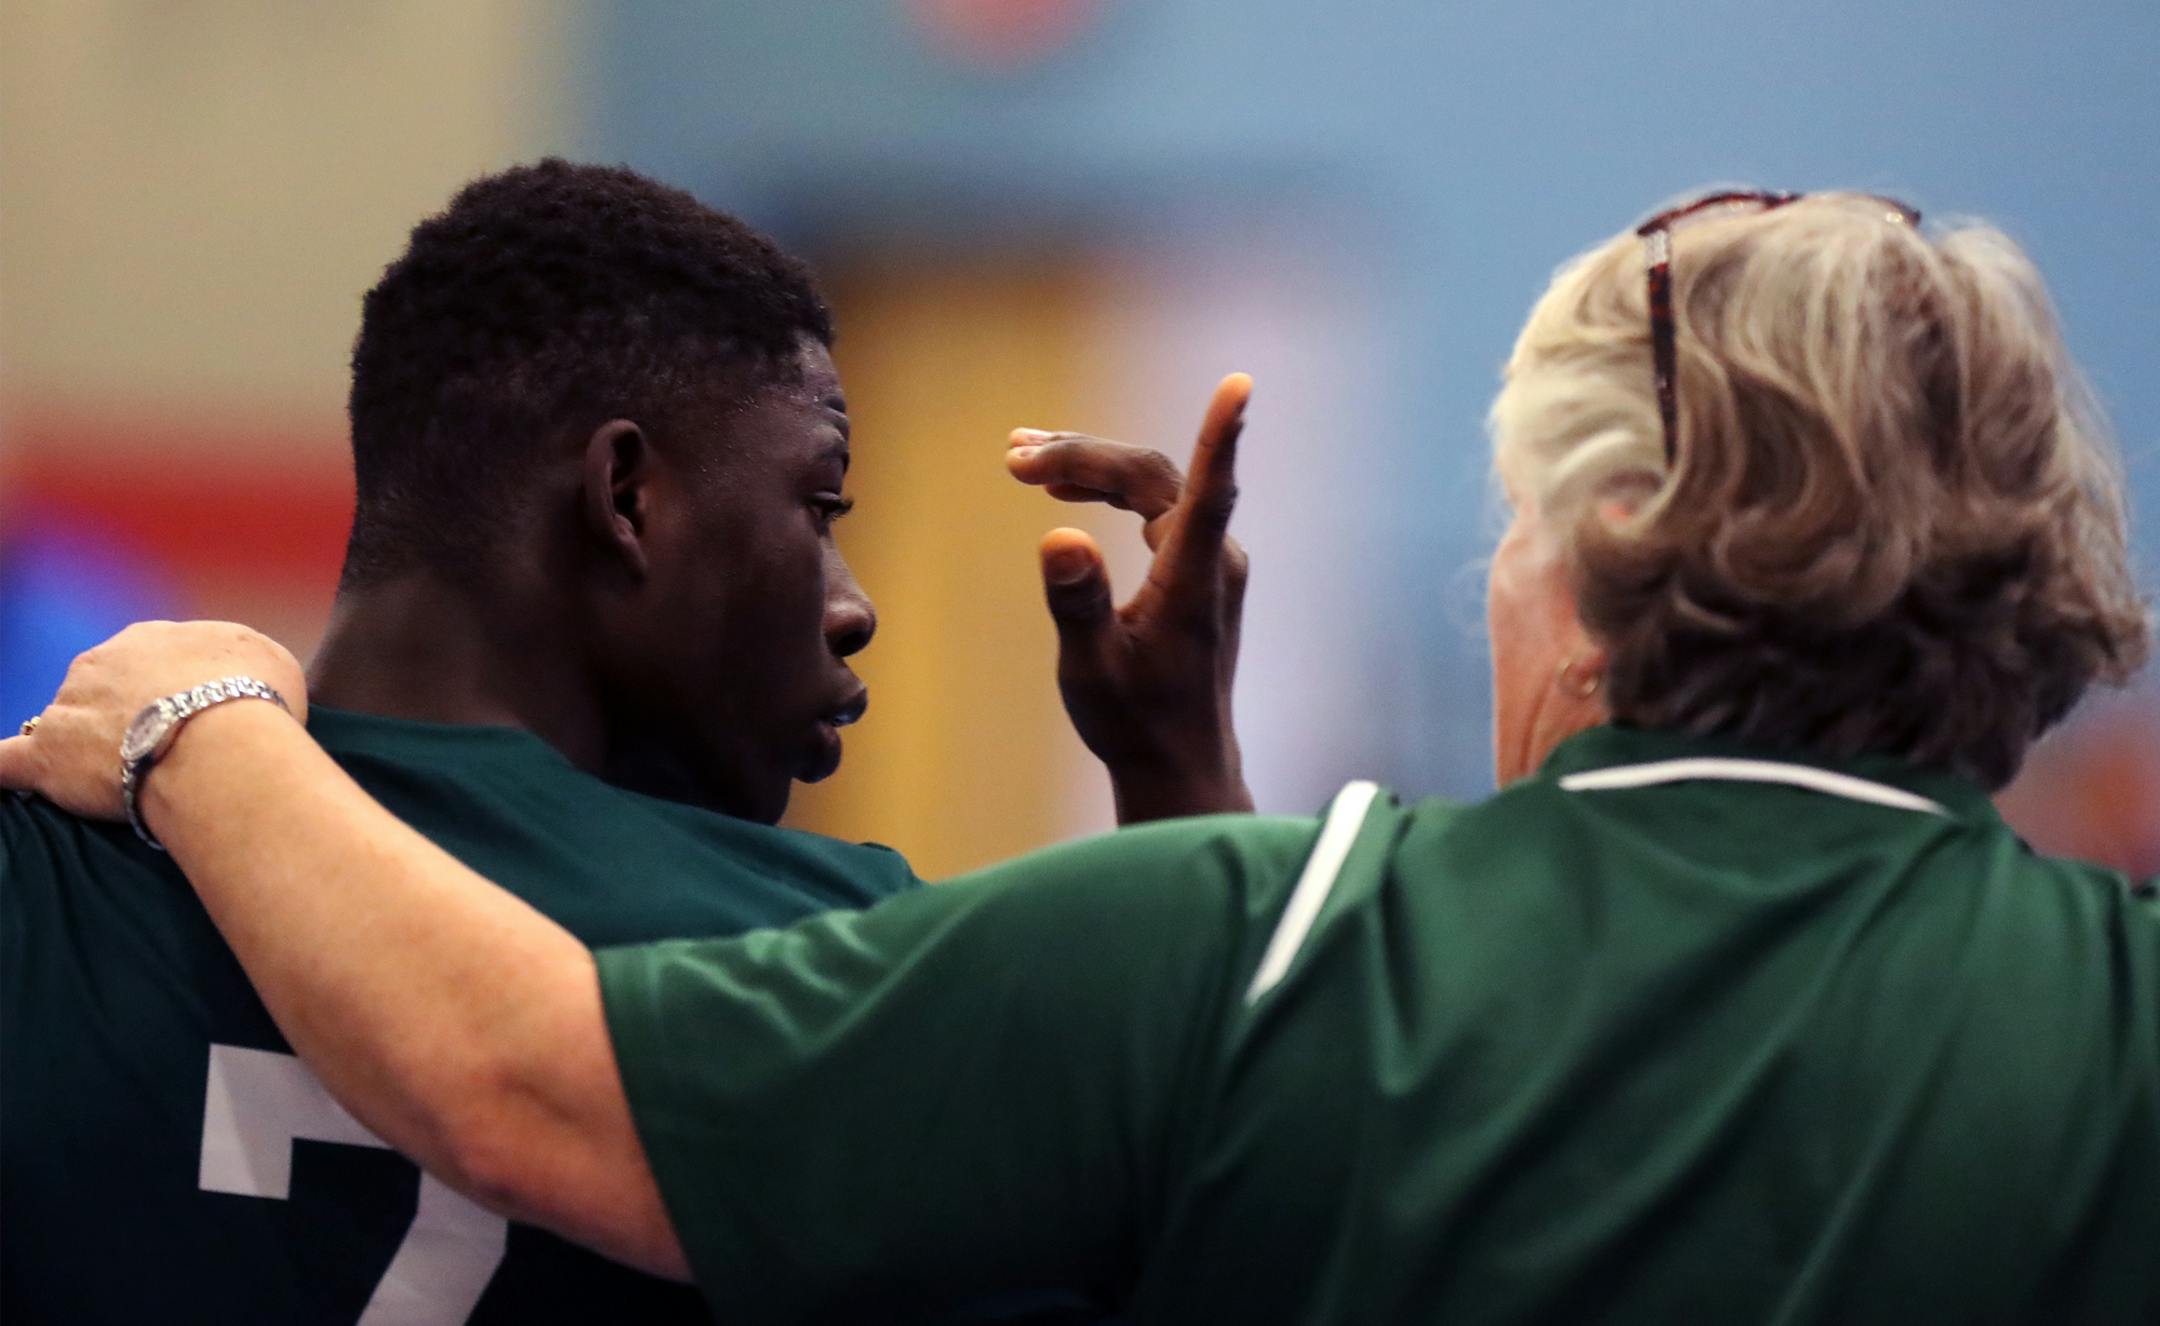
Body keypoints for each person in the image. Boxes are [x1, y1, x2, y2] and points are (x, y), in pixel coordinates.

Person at [10, 188, 2154, 1322]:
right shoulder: (2122, 1010)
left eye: (1511, 526)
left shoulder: (1263, 954)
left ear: (1603, 552)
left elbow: (524, 1084)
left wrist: (201, 716)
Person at [0, 160, 1248, 1324]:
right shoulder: (846, 952)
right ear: (627, 498)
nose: (851, 601)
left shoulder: (38, 876)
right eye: (817, 508)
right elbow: (1237, 1230)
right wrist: (1177, 759)